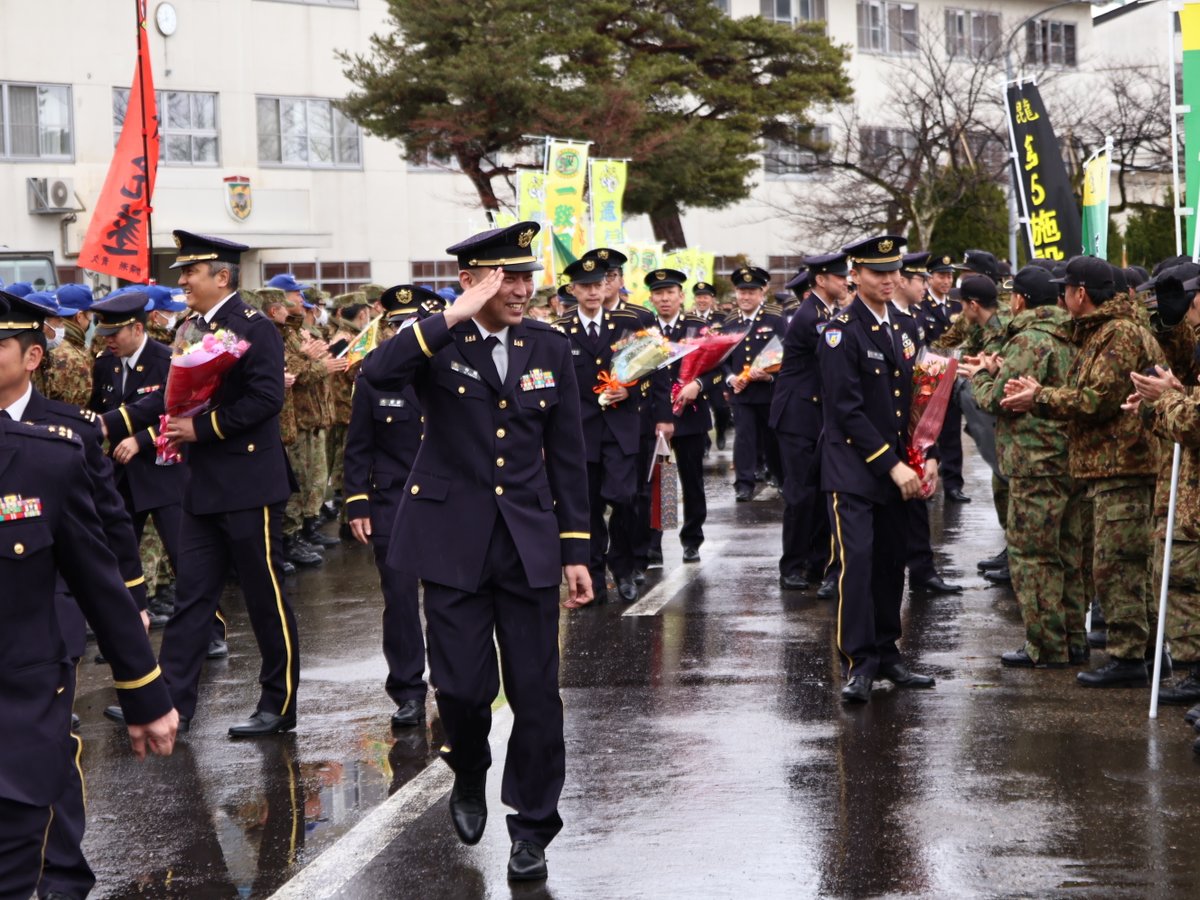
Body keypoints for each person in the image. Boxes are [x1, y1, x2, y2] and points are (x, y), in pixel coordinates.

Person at [361, 221, 591, 883]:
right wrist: (445, 318)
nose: (522, 289)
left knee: (537, 694)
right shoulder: (438, 339)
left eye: (526, 277)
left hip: (527, 543)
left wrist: (576, 547)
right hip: (451, 540)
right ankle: (469, 761)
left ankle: (532, 827)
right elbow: (377, 375)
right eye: (506, 277)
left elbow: (569, 457)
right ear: (472, 280)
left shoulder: (548, 344)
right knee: (460, 688)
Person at [0, 293, 177, 898]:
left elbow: (102, 549)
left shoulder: (60, 444)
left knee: (37, 809)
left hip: (34, 647)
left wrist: (142, 682)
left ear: (32, 356)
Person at [104, 231, 302, 736]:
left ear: (222, 276)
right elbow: (171, 394)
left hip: (249, 483)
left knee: (264, 595)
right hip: (201, 483)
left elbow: (265, 400)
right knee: (194, 597)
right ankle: (172, 705)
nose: (182, 280)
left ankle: (278, 706)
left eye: (190, 272)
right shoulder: (191, 326)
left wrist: (202, 428)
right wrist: (113, 421)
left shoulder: (254, 327)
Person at [1002, 255, 1165, 688]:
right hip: (1113, 464)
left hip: (1124, 464)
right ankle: (1147, 652)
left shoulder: (1117, 335)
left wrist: (1038, 397)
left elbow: (1095, 401)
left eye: (1067, 289)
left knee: (1117, 564)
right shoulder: (1101, 332)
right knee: (1123, 561)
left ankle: (1131, 655)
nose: (1062, 297)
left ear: (1081, 294)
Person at [818, 235, 938, 704]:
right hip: (855, 469)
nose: (887, 281)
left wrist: (924, 454)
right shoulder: (840, 330)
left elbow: (914, 402)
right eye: (876, 272)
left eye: (893, 272)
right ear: (855, 274)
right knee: (859, 563)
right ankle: (859, 662)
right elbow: (845, 410)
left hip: (899, 469)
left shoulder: (905, 328)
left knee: (892, 563)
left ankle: (889, 654)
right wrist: (892, 465)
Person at [966, 266, 1084, 666]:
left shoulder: (1029, 340)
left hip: (1034, 462)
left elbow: (1000, 400)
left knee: (1033, 556)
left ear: (1019, 300)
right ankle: (1074, 637)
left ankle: (1046, 645)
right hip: (1069, 458)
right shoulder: (1072, 331)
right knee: (1068, 551)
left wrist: (981, 374)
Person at [345, 285, 443, 728]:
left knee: (447, 595)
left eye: (412, 324)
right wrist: (356, 502)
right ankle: (407, 690)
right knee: (400, 599)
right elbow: (358, 446)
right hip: (392, 499)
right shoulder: (372, 374)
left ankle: (450, 678)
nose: (402, 331)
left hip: (444, 500)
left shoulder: (450, 369)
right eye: (396, 324)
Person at [553, 257, 646, 602]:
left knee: (625, 499)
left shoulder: (627, 324)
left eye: (598, 285)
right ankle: (592, 576)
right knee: (587, 506)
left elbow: (648, 369)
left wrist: (630, 389)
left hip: (620, 428)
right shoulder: (560, 330)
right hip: (580, 433)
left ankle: (623, 570)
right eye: (585, 286)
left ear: (610, 286)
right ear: (573, 290)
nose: (593, 292)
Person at [770, 252, 847, 590]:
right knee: (800, 494)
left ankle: (814, 562)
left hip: (812, 413)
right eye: (839, 276)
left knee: (817, 493)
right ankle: (792, 565)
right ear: (820, 281)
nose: (845, 281)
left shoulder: (825, 311)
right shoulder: (812, 316)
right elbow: (834, 356)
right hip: (798, 415)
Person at [892, 252, 962, 596]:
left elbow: (920, 383)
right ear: (902, 281)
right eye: (920, 279)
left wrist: (929, 447)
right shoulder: (887, 320)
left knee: (917, 505)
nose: (926, 284)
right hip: (884, 436)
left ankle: (922, 571)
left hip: (912, 427)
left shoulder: (911, 319)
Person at [649, 268, 715, 563]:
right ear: (651, 297)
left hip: (690, 414)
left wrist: (697, 384)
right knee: (660, 479)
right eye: (659, 294)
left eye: (670, 293)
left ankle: (692, 538)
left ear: (680, 296)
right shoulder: (645, 327)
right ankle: (654, 543)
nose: (665, 299)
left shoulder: (697, 327)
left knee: (691, 479)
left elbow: (718, 367)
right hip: (654, 417)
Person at [722, 265, 785, 502]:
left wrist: (770, 376)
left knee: (773, 438)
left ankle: (780, 476)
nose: (745, 297)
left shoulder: (775, 319)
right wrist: (730, 378)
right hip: (742, 392)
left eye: (751, 292)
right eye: (741, 291)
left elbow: (787, 352)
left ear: (762, 293)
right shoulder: (729, 322)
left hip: (769, 391)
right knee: (744, 438)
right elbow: (722, 360)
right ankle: (744, 483)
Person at [919, 253, 967, 502]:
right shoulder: (921, 306)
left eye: (950, 276)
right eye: (941, 275)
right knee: (925, 429)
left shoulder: (957, 306)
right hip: (928, 374)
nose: (946, 280)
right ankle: (923, 478)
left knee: (950, 431)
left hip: (952, 373)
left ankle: (953, 484)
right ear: (930, 278)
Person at [693, 281, 731, 450]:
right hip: (695, 372)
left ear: (712, 299)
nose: (702, 300)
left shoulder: (722, 318)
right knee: (698, 409)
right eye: (699, 297)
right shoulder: (688, 318)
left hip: (717, 370)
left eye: (705, 297)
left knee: (721, 408)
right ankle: (705, 441)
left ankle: (721, 431)